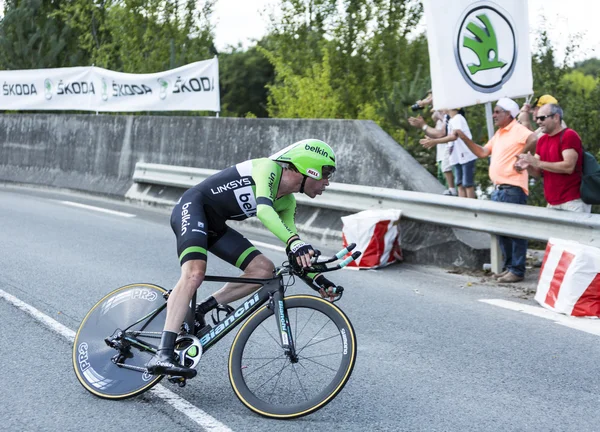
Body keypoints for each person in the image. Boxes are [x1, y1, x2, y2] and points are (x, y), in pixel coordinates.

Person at [146, 139, 339, 377]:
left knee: (264, 270)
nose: (327, 182)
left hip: (215, 226)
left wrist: (318, 279)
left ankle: (201, 309)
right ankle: (162, 354)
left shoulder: (287, 202)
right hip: (193, 207)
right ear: (309, 168)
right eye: (326, 173)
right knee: (195, 273)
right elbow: (264, 210)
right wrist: (295, 243)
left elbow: (292, 243)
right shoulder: (269, 168)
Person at [454, 98, 538, 283]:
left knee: (514, 231)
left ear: (509, 114)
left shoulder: (517, 129)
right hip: (500, 189)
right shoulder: (501, 133)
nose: (494, 115)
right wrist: (464, 138)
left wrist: (520, 156)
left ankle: (516, 270)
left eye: (498, 111)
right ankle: (510, 268)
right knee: (502, 231)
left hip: (512, 188)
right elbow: (483, 153)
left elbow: (534, 138)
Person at [516, 104, 591, 213]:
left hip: (573, 201)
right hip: (552, 202)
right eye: (537, 118)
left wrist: (537, 163)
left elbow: (568, 167)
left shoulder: (569, 135)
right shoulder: (542, 140)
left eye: (542, 118)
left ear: (555, 117)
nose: (538, 122)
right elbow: (537, 172)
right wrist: (527, 166)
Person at [419, 108, 477, 198]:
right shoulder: (451, 120)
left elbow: (453, 136)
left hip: (466, 156)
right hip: (457, 157)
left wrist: (435, 141)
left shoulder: (458, 118)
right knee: (459, 183)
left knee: (467, 184)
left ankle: (473, 209)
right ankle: (463, 208)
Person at [408, 93, 457, 196]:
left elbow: (441, 133)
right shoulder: (440, 117)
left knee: (456, 188)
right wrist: (427, 134)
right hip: (441, 157)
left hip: (451, 156)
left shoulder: (448, 113)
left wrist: (424, 125)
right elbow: (437, 133)